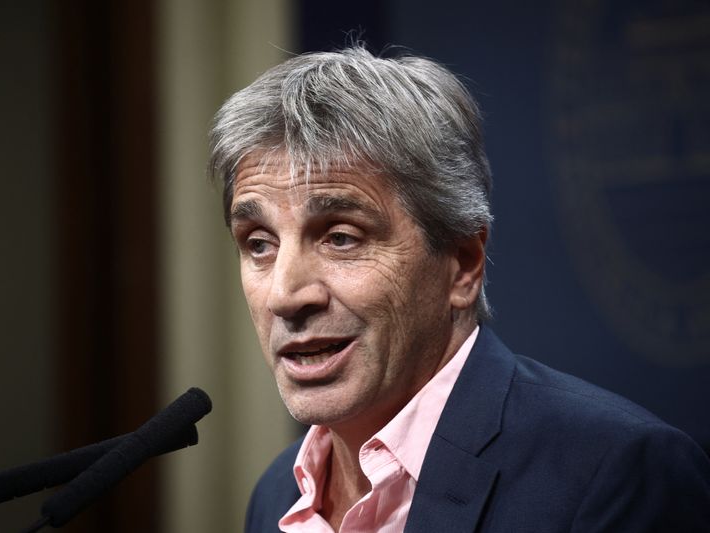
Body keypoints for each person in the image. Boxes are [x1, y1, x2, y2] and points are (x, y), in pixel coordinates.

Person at [208, 45, 710, 532]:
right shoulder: (279, 494)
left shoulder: (615, 474)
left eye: (341, 237)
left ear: (463, 265)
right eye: (258, 244)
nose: (284, 295)